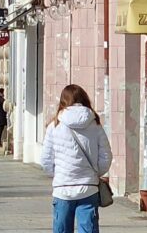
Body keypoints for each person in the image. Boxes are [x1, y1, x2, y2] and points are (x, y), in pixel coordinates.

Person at [41, 85, 112, 233]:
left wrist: (59, 174)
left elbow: (46, 160)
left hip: (62, 189)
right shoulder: (95, 124)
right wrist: (95, 173)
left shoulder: (54, 126)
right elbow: (106, 156)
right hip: (88, 188)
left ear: (63, 101)